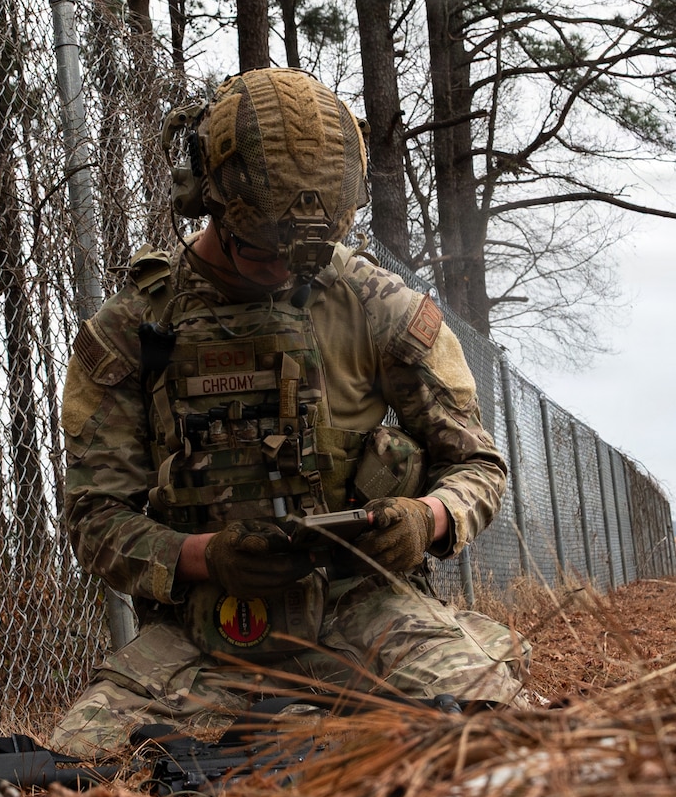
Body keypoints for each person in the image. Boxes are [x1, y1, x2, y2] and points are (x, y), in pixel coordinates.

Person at [48, 68, 529, 758]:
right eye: (267, 253)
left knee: (501, 728)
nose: (289, 273)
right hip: (209, 636)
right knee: (87, 763)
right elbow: (95, 519)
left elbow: (477, 464)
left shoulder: (374, 305)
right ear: (211, 202)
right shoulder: (134, 331)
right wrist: (202, 555)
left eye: (307, 255)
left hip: (369, 613)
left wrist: (428, 518)